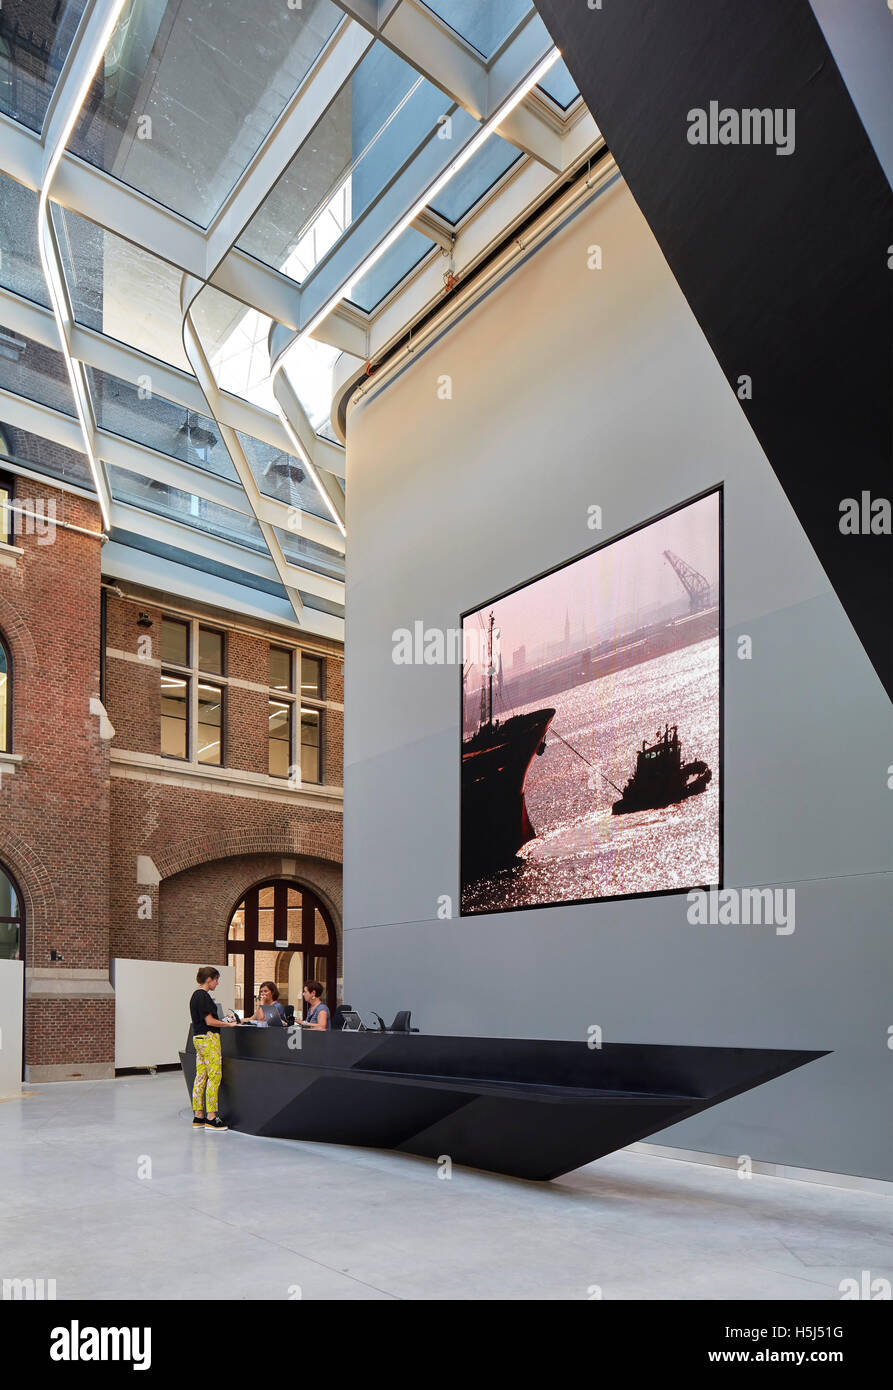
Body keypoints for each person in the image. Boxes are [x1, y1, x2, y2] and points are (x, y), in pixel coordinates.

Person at [189, 966, 238, 1130]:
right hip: (210, 1038)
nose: (217, 983)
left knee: (201, 1076)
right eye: (216, 979)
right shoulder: (203, 996)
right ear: (209, 979)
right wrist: (228, 1024)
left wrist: (223, 1019)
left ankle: (198, 1116)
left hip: (198, 1038)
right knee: (214, 1076)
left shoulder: (195, 996)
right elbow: (210, 1021)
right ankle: (211, 1117)